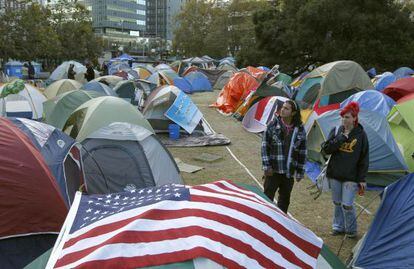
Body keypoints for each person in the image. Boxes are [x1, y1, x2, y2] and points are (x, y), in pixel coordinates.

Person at [321, 102, 369, 238]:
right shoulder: (337, 131)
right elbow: (326, 149)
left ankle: (351, 230)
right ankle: (338, 226)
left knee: (347, 205)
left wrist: (362, 179)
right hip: (335, 173)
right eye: (342, 117)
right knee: (337, 202)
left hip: (351, 177)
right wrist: (341, 138)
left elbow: (364, 158)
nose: (344, 120)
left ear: (354, 118)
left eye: (347, 117)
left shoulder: (361, 135)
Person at [261, 99, 307, 213]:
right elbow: (264, 146)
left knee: (284, 201)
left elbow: (302, 152)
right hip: (273, 171)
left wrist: (300, 171)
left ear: (293, 113)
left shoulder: (300, 129)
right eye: (283, 107)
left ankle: (280, 224)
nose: (282, 110)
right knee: (267, 198)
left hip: (288, 172)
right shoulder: (272, 125)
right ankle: (265, 222)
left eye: (286, 108)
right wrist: (267, 166)